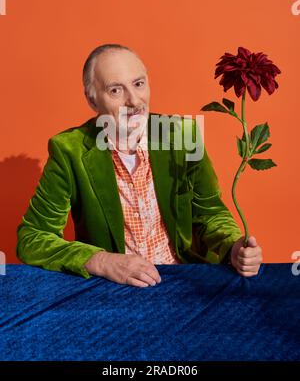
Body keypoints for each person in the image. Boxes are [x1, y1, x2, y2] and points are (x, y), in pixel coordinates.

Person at [16, 43, 262, 287]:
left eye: (138, 84)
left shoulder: (183, 136)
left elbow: (210, 214)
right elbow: (32, 238)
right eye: (115, 90)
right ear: (92, 100)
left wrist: (233, 246)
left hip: (185, 281)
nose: (134, 101)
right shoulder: (69, 150)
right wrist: (102, 261)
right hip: (114, 289)